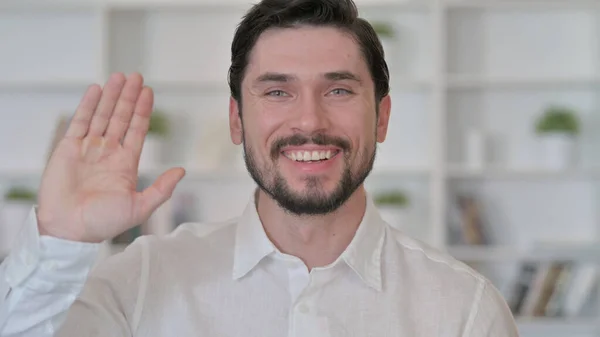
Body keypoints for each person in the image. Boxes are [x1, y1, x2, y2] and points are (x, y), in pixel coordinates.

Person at [0, 0, 519, 336]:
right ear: (236, 119)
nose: (309, 120)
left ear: (381, 117)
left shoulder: (464, 311)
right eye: (277, 91)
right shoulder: (141, 280)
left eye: (338, 90)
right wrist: (60, 240)